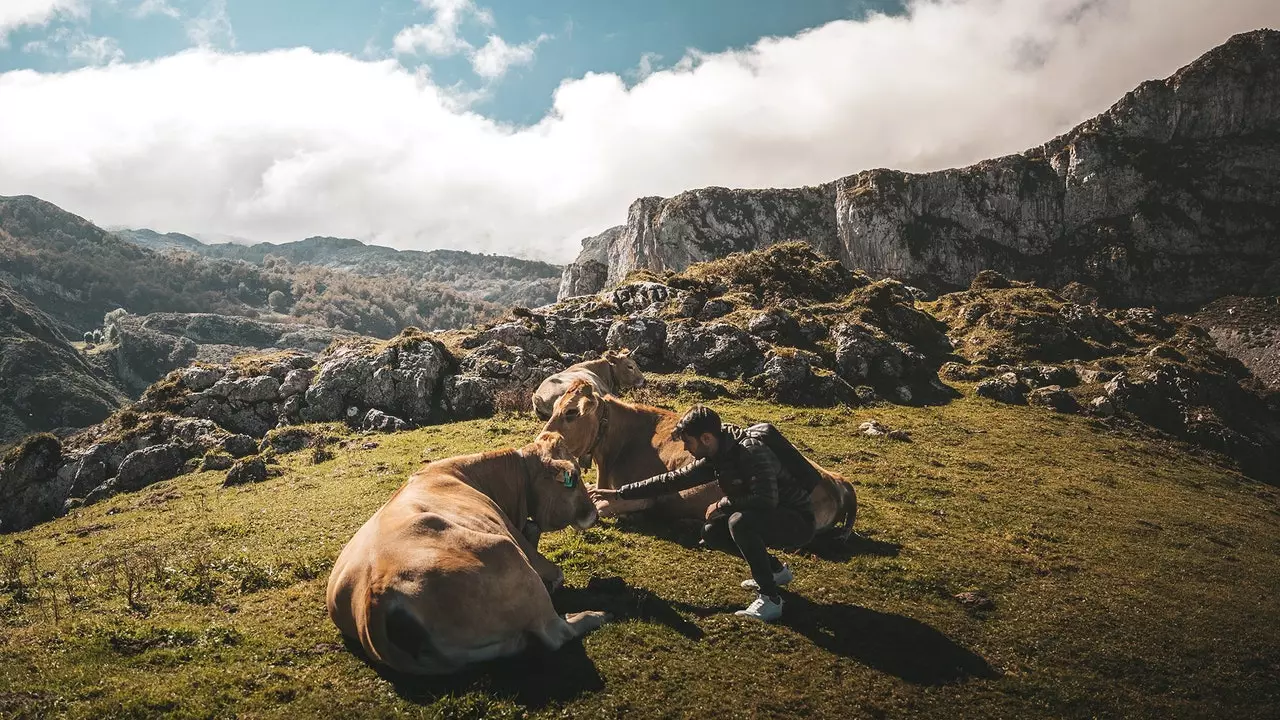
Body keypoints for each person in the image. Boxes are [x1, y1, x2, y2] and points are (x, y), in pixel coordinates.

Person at [589, 405, 815, 622]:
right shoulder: (718, 454)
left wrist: (722, 505)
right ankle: (775, 571)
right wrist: (618, 493)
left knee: (739, 522)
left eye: (688, 442)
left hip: (797, 520)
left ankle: (771, 600)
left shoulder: (751, 452)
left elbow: (766, 500)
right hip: (768, 514)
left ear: (706, 438)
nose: (686, 449)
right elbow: (671, 481)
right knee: (712, 531)